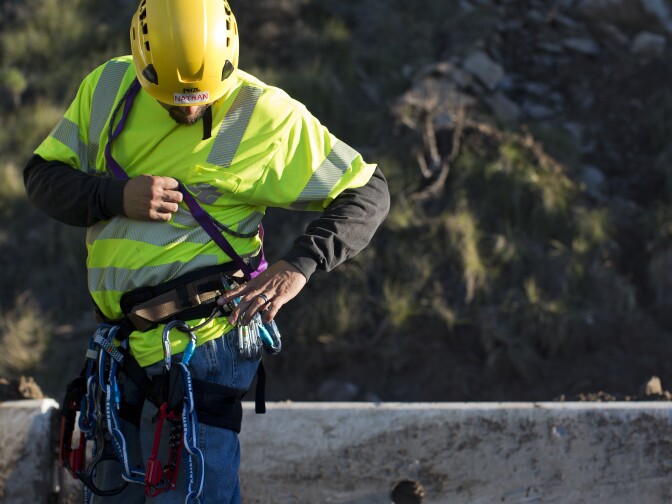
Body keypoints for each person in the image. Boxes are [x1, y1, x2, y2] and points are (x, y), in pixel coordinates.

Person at [23, 0, 389, 502]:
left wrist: (297, 267)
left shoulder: (264, 113)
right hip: (120, 351)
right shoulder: (107, 87)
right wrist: (114, 196)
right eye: (172, 99)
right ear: (140, 59)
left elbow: (368, 193)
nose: (189, 108)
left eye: (200, 97)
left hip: (204, 350)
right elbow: (43, 178)